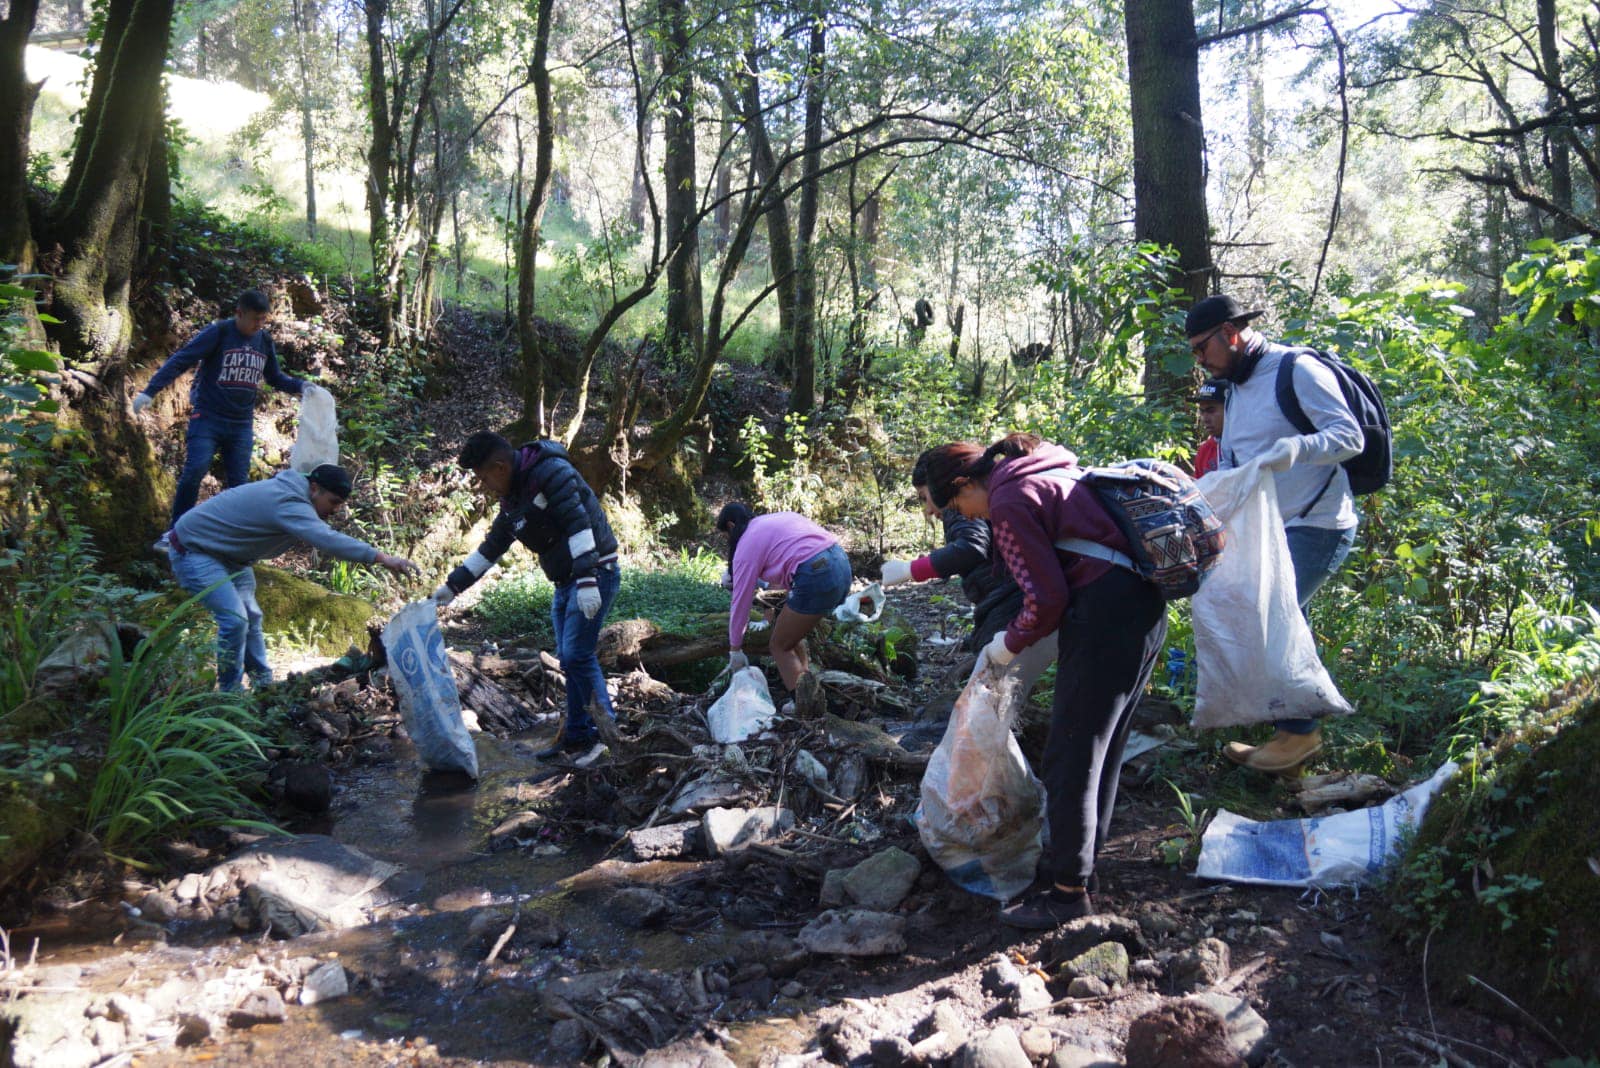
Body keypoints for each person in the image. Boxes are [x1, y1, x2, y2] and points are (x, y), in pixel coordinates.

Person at [920, 434, 1167, 929]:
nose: (966, 517)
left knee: (1070, 755)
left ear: (967, 483)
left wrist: (1007, 644)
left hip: (1105, 616)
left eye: (956, 505)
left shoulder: (1009, 498)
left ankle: (1066, 894)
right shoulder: (1042, 473)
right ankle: (1080, 871)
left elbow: (1045, 598)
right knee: (1103, 749)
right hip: (1141, 608)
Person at [1186, 293, 1363, 773]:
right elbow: (1235, 458)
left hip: (1318, 521)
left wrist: (1294, 449)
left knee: (1275, 616)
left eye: (1203, 348)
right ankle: (1290, 736)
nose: (1199, 361)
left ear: (1231, 333)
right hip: (1270, 528)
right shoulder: (1236, 387)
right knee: (1257, 612)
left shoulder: (1296, 369)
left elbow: (1350, 436)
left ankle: (1299, 736)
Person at [434, 432, 620, 763]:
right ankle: (577, 736)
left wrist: (588, 578)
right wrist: (452, 587)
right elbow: (492, 546)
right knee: (568, 658)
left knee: (578, 656)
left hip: (594, 573)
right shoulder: (514, 498)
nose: (484, 485)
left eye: (483, 477)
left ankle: (606, 738)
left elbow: (579, 523)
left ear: (500, 466)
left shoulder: (552, 473)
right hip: (565, 582)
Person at [166, 464, 417, 691]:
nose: (335, 510)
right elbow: (327, 539)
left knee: (252, 616)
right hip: (194, 550)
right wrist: (382, 558)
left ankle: (263, 683)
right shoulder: (288, 502)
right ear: (315, 488)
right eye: (333, 501)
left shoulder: (297, 495)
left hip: (231, 557)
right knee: (235, 620)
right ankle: (230, 694)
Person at [133, 289, 307, 523]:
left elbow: (275, 377)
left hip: (241, 424)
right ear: (239, 313)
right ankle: (176, 532)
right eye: (255, 319)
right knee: (195, 471)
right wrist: (150, 391)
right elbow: (183, 359)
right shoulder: (220, 332)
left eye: (263, 319)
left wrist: (303, 386)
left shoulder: (264, 341)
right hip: (208, 417)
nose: (259, 324)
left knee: (239, 484)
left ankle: (229, 538)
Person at [880, 445, 1025, 656]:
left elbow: (971, 547)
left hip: (1007, 596)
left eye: (924, 496)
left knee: (996, 668)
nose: (928, 509)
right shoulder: (969, 501)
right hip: (1004, 594)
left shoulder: (957, 505)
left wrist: (909, 570)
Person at [717, 503, 851, 710]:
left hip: (817, 574)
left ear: (731, 526)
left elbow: (740, 600)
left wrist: (735, 648)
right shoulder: (773, 521)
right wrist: (769, 618)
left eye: (726, 536)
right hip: (841, 564)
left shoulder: (746, 543)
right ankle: (806, 685)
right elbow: (782, 578)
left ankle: (805, 706)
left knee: (779, 645)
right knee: (792, 635)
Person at [1193, 378, 1228, 477]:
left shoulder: (1247, 445)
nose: (1205, 418)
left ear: (1229, 407)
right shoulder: (1204, 451)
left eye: (1211, 410)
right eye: (1202, 411)